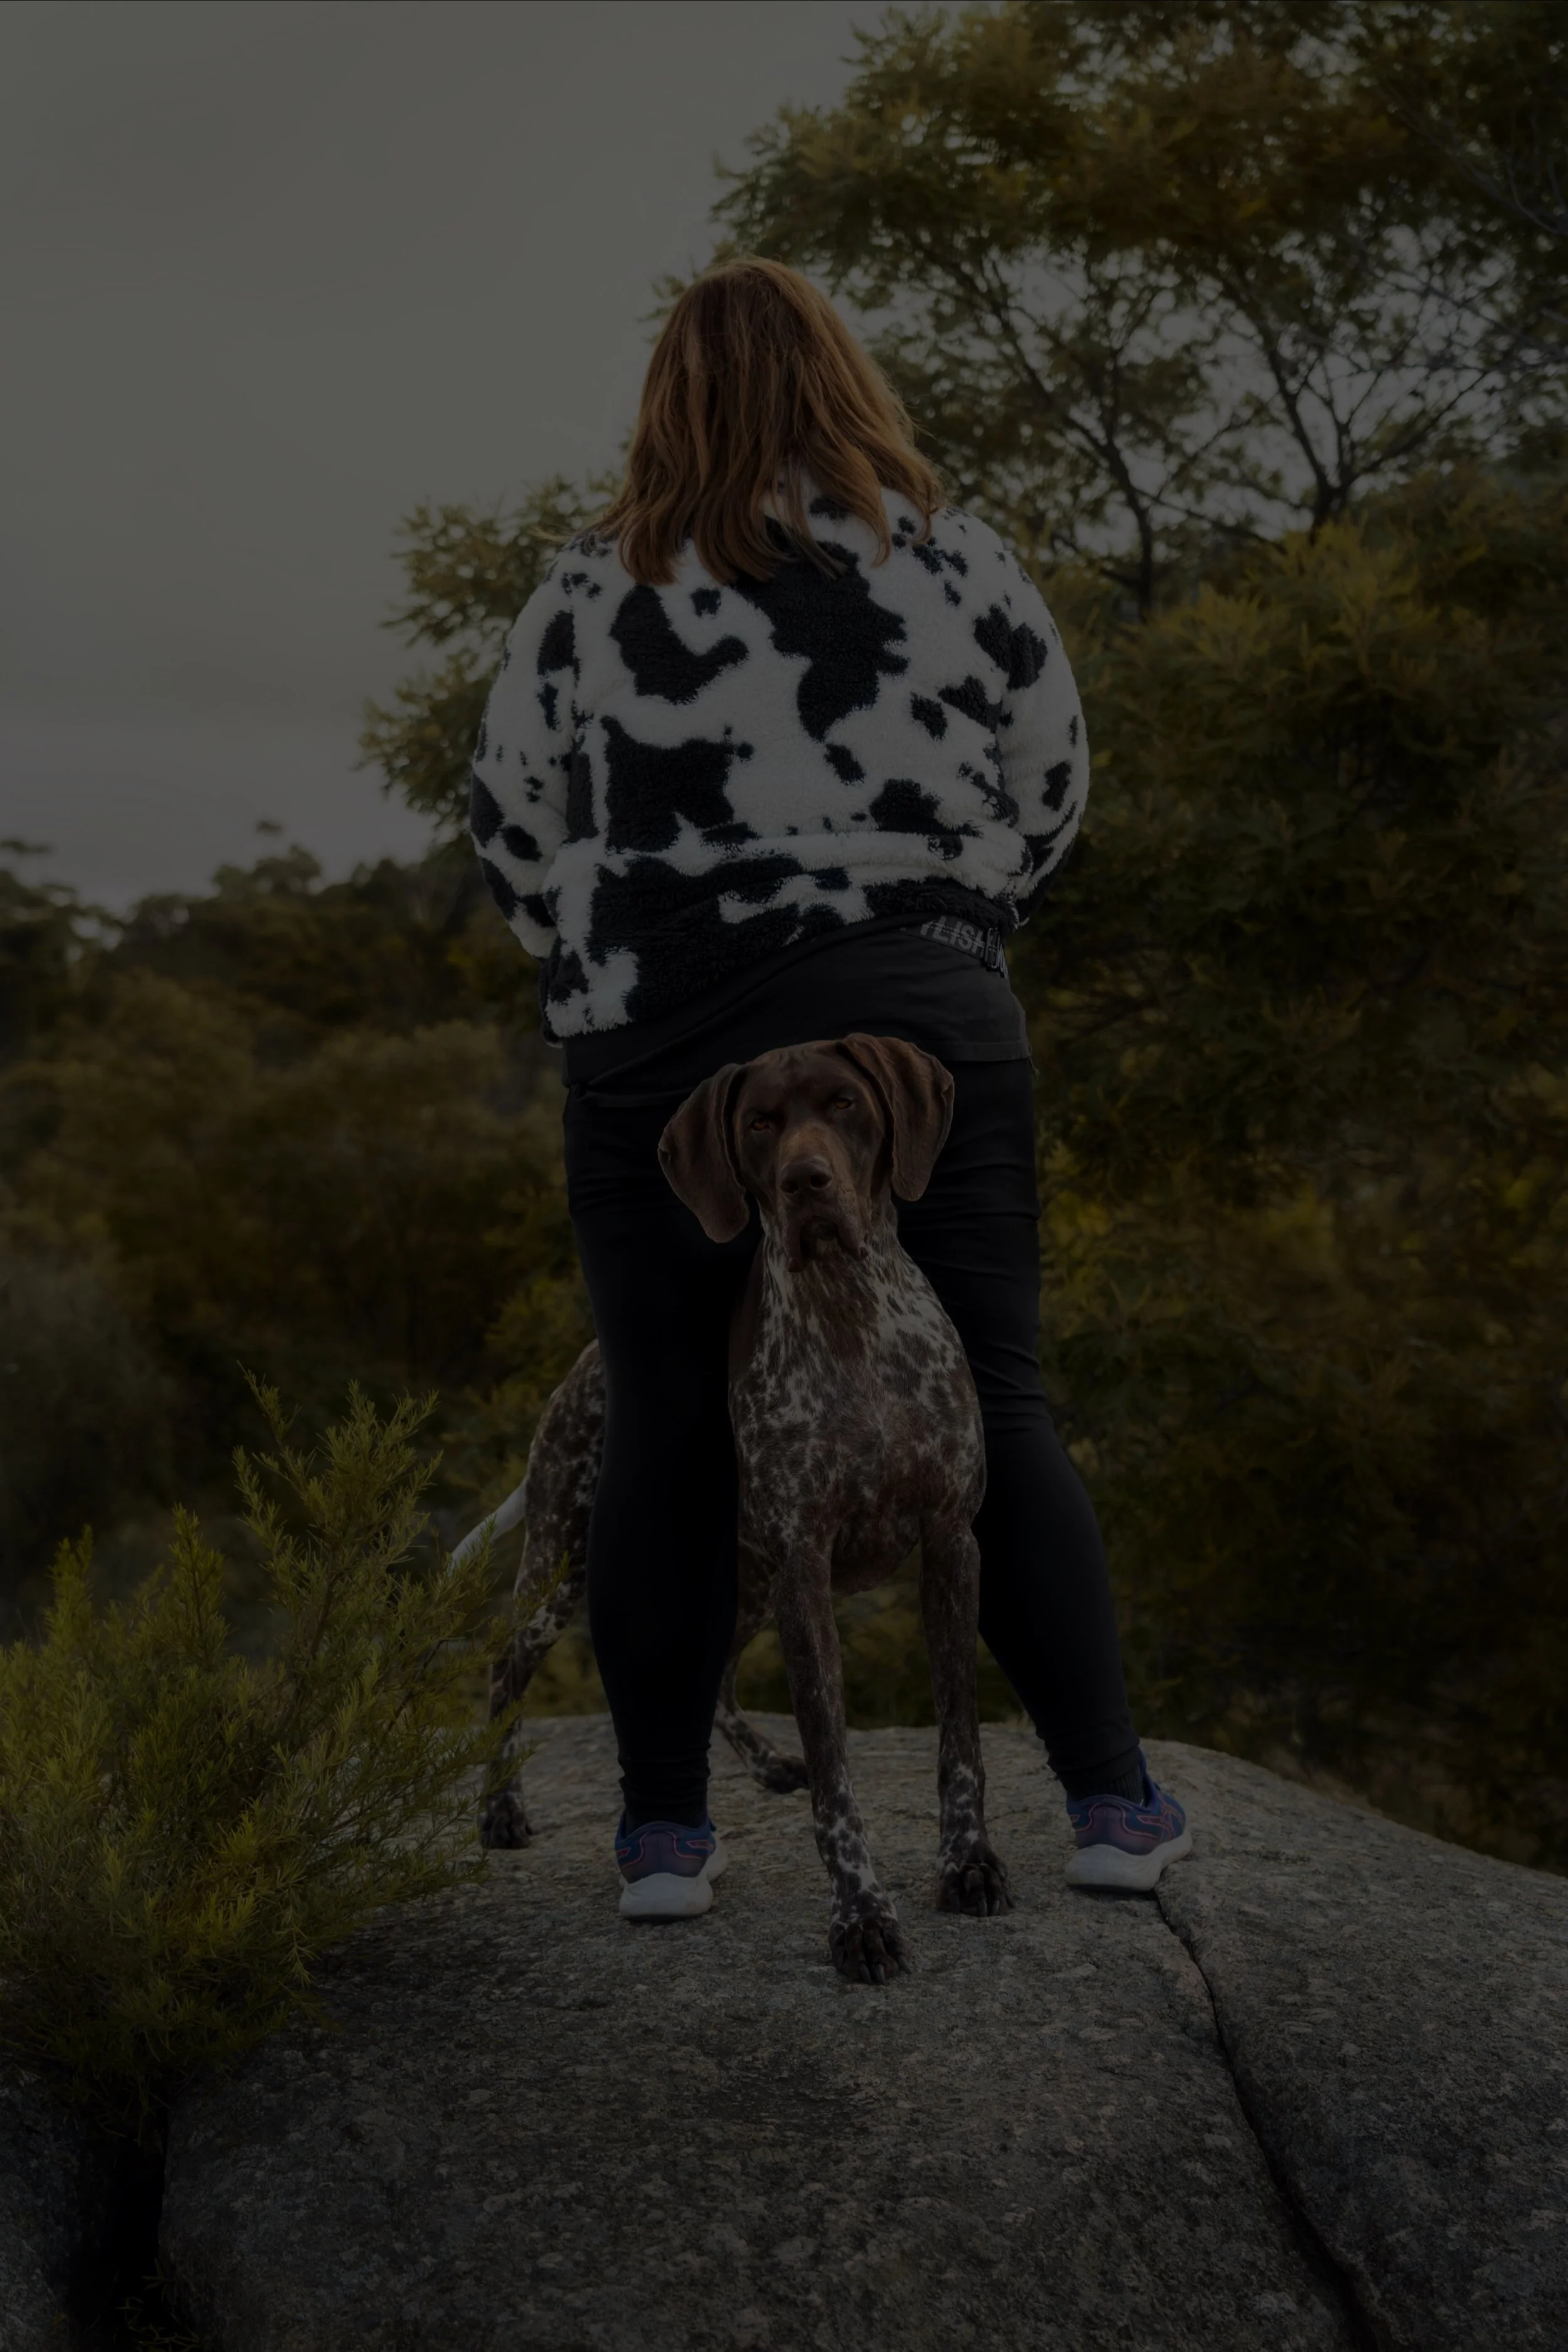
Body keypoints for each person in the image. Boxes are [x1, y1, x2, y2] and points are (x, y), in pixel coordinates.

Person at [470, 257, 1189, 1919]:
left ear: (667, 404)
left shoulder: (588, 585)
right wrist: (957, 923)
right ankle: (1107, 1802)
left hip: (659, 1023)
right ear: (845, 383)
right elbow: (1051, 774)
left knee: (665, 1409)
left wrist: (588, 965)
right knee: (996, 1396)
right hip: (916, 1020)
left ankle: (664, 1836)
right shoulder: (958, 557)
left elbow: (512, 813)